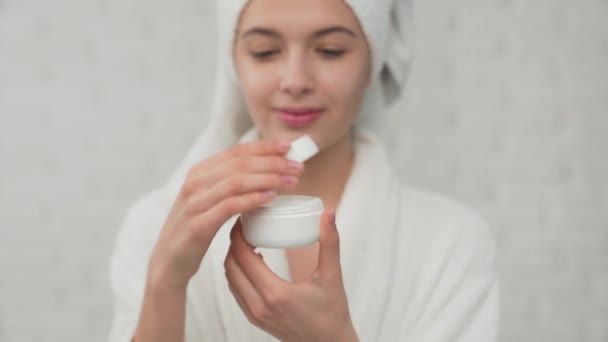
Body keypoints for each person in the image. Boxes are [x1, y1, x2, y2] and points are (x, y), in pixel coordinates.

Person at [108, 0, 499, 341]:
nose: (295, 80)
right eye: (264, 52)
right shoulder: (156, 227)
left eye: (330, 50)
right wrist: (165, 284)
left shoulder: (450, 244)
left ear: (373, 62)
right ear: (233, 63)